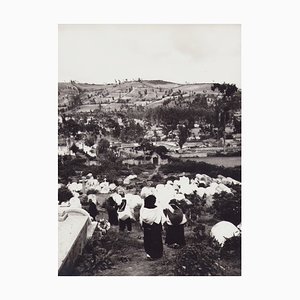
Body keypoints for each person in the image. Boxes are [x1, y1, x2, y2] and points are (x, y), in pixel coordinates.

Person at [139, 194, 165, 260]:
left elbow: (142, 218)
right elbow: (161, 217)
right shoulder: (157, 209)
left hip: (147, 227)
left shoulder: (143, 209)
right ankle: (157, 254)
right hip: (155, 226)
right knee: (156, 240)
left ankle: (149, 254)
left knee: (148, 240)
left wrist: (142, 225)